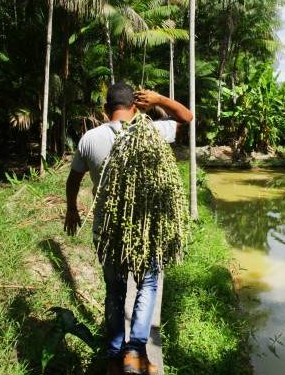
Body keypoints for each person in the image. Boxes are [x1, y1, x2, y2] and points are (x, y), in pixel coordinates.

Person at [64, 82, 193, 375]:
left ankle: (114, 356)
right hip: (145, 231)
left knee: (114, 290)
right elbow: (187, 117)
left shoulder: (89, 138)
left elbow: (73, 180)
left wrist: (71, 208)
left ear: (105, 110)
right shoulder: (151, 132)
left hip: (107, 230)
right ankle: (135, 352)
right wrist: (159, 99)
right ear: (135, 108)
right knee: (147, 284)